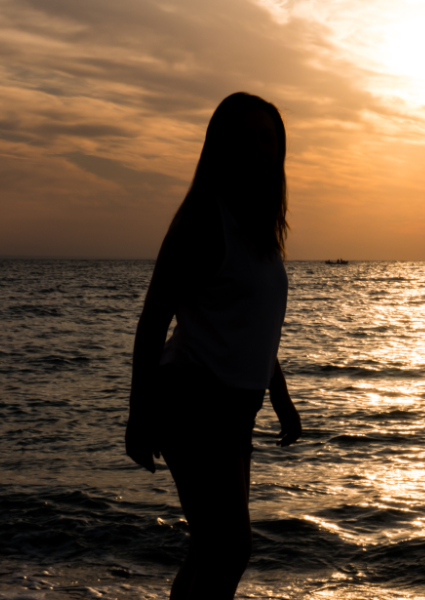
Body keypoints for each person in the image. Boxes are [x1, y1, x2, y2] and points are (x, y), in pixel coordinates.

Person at [125, 92, 301, 600]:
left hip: (233, 414)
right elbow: (154, 317)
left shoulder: (261, 229)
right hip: (192, 404)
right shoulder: (206, 218)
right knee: (230, 550)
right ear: (220, 147)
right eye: (245, 138)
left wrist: (281, 398)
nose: (259, 148)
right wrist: (139, 415)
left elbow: (254, 327)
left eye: (268, 137)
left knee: (209, 551)